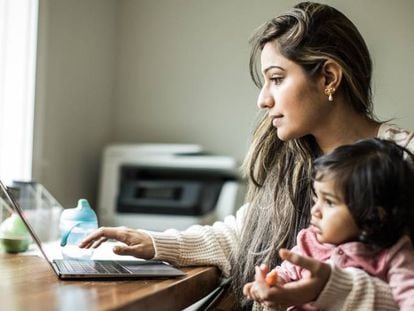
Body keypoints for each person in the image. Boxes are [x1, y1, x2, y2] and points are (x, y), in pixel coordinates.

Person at [79, 2, 414, 310]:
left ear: (328, 77)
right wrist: (154, 243)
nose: (263, 100)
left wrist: (326, 288)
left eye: (277, 80)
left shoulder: (404, 161)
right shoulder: (292, 160)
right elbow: (243, 237)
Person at [243, 138, 414, 310]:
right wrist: (273, 283)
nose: (315, 211)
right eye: (316, 198)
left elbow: (408, 297)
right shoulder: (310, 241)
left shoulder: (393, 252)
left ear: (375, 213)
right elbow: (285, 272)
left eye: (330, 202)